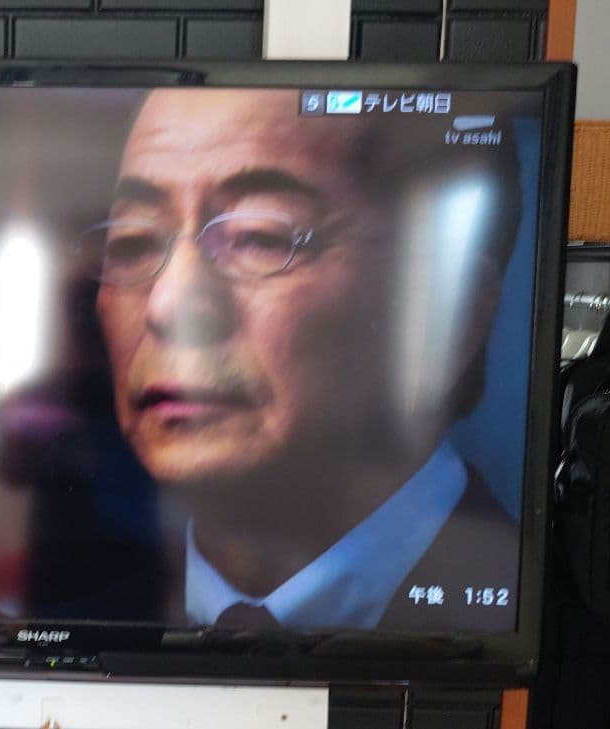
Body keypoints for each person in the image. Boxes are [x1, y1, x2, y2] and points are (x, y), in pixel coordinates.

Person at [88, 88, 522, 631]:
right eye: (133, 242)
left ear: (448, 315)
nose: (168, 304)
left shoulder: (563, 644)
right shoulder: (73, 631)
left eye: (259, 237)